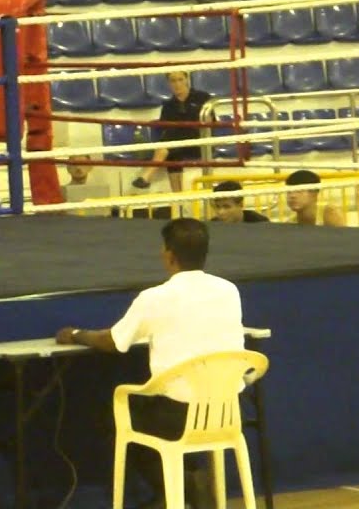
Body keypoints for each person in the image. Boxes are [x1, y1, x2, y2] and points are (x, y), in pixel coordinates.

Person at [55, 218, 240, 509]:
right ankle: (176, 493)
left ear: (168, 256)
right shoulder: (230, 291)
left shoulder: (155, 298)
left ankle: (182, 490)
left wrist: (76, 334)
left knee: (116, 419)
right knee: (150, 413)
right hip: (227, 412)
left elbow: (113, 342)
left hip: (176, 414)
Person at [134, 71, 211, 194]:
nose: (177, 84)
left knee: (168, 144)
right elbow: (166, 127)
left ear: (187, 80)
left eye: (180, 79)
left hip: (198, 141)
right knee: (171, 151)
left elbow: (210, 120)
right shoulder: (168, 105)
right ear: (169, 83)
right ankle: (178, 198)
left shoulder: (202, 97)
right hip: (177, 144)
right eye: (173, 81)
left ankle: (147, 176)